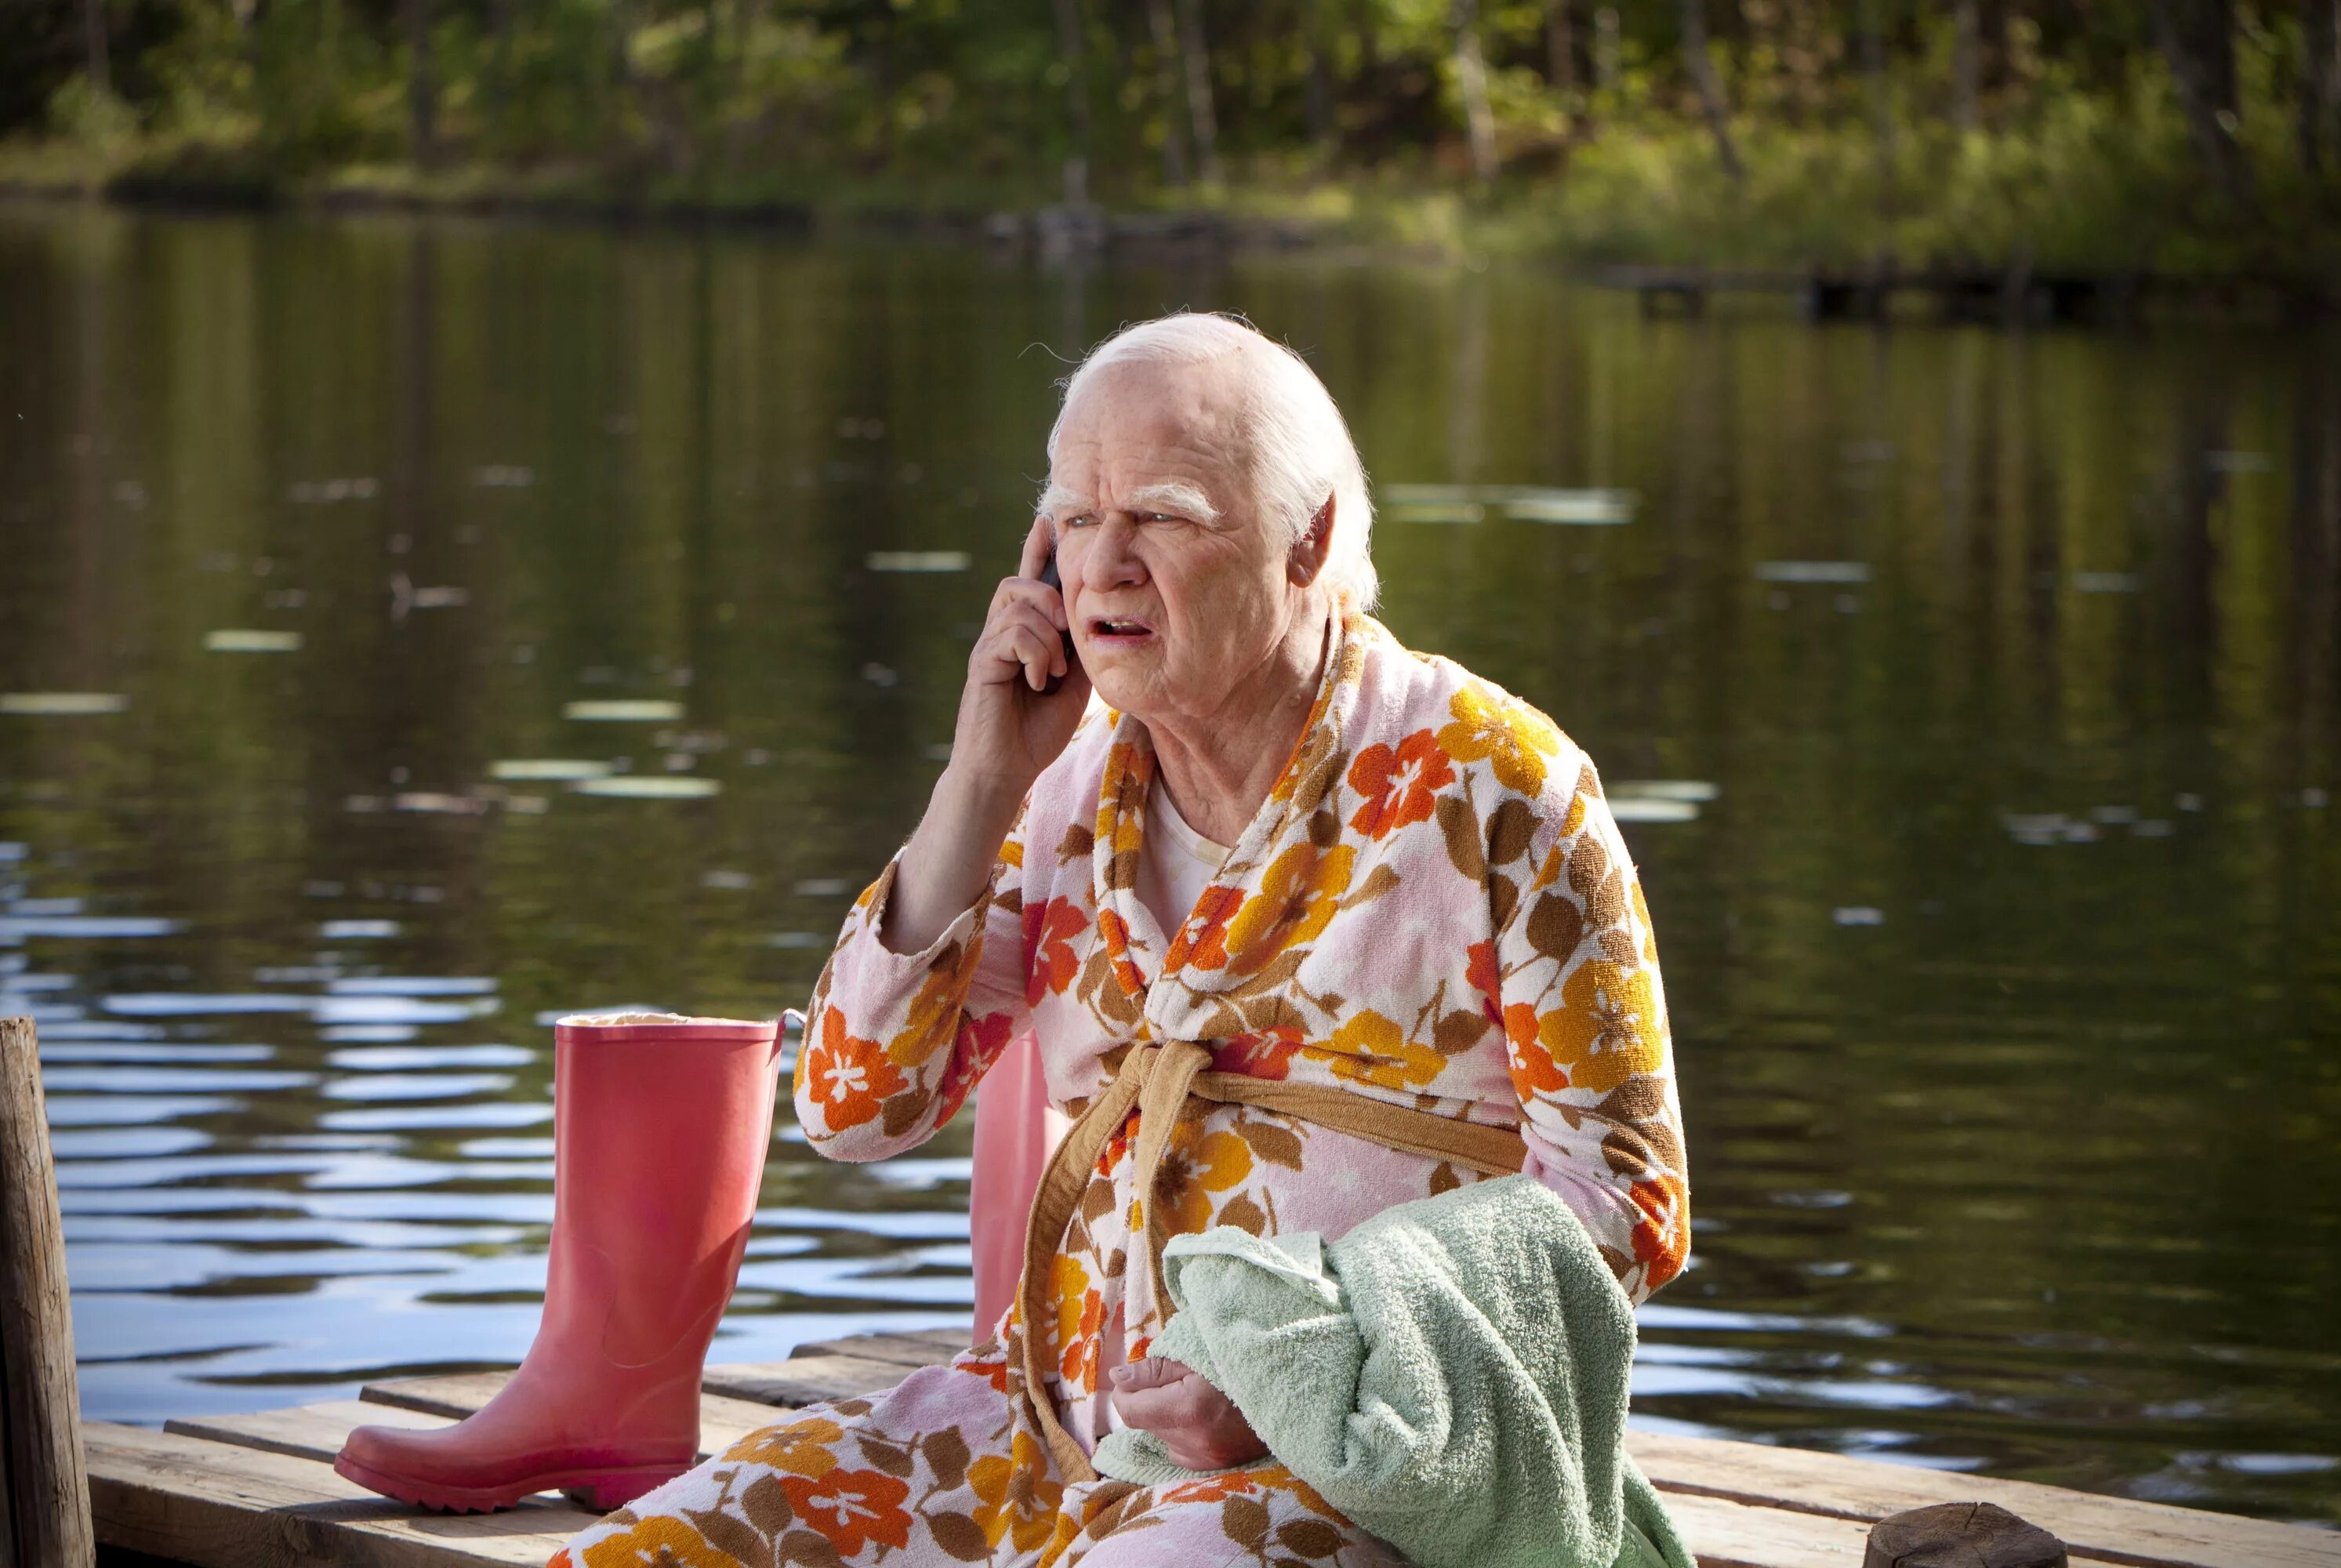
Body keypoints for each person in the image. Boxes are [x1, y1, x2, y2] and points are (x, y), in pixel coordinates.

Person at [553, 312, 1689, 1568]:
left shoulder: (1500, 786)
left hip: (1349, 1462)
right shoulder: (1062, 782)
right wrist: (976, 785)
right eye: (1076, 520)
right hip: (1043, 1427)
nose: (1103, 567)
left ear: (1306, 538)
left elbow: (1627, 1201)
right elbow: (850, 1109)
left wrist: (1301, 1371)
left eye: (1160, 514)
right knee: (657, 1550)